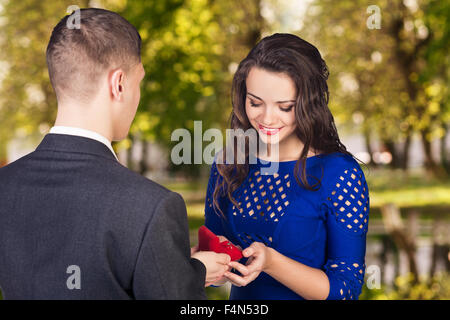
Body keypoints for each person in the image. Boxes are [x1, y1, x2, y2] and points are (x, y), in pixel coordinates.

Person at [0, 8, 230, 300]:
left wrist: (174, 265)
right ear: (118, 84)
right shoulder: (151, 207)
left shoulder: (5, 185)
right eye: (139, 82)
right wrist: (189, 277)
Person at [204, 33, 370, 300]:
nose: (267, 118)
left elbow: (346, 290)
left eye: (285, 107)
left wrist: (272, 262)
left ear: (309, 104)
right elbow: (214, 262)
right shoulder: (229, 164)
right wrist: (199, 265)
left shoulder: (340, 173)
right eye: (255, 103)